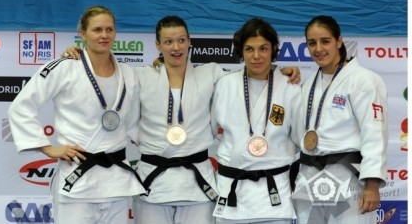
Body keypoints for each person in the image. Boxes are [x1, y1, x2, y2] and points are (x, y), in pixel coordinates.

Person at [62, 15, 301, 224]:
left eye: (180, 40)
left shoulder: (212, 73)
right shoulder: (140, 75)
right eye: (168, 41)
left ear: (189, 42)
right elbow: (106, 73)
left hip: (197, 184)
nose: (175, 47)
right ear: (158, 45)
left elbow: (252, 77)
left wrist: (281, 73)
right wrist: (78, 56)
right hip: (153, 182)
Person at [8, 6, 145, 224]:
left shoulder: (129, 74)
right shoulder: (64, 68)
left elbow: (133, 124)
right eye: (97, 30)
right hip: (78, 180)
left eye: (109, 29)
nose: (104, 35)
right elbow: (21, 107)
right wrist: (48, 148)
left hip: (116, 182)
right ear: (82, 34)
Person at [291, 15, 388, 224]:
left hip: (347, 178)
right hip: (310, 177)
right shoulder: (308, 84)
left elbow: (375, 133)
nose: (318, 49)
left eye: (325, 41)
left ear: (339, 41)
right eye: (312, 43)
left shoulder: (362, 79)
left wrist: (372, 185)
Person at [211, 18, 303, 224]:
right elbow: (209, 129)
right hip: (232, 193)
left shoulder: (290, 87)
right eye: (249, 49)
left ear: (273, 50)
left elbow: (300, 140)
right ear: (241, 52)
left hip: (274, 195)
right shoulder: (225, 84)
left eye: (263, 48)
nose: (256, 56)